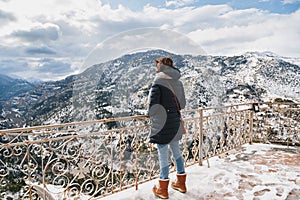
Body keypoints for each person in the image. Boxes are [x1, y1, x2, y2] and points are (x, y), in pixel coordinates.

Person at [148, 56, 187, 199]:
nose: (156, 68)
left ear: (162, 67)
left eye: (157, 66)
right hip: (175, 122)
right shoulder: (178, 82)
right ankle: (181, 183)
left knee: (163, 155)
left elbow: (152, 108)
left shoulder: (158, 82)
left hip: (162, 125)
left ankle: (163, 189)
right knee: (177, 153)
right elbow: (182, 105)